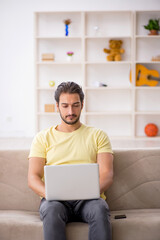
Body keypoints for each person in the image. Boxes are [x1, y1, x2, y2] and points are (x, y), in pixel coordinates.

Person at [28, 81, 114, 240]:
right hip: (55, 202)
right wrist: (50, 194)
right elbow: (33, 177)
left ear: (82, 105)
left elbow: (106, 174)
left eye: (75, 105)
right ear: (57, 106)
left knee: (99, 209)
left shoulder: (98, 135)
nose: (70, 111)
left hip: (90, 200)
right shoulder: (42, 138)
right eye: (65, 106)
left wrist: (90, 192)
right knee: (52, 210)